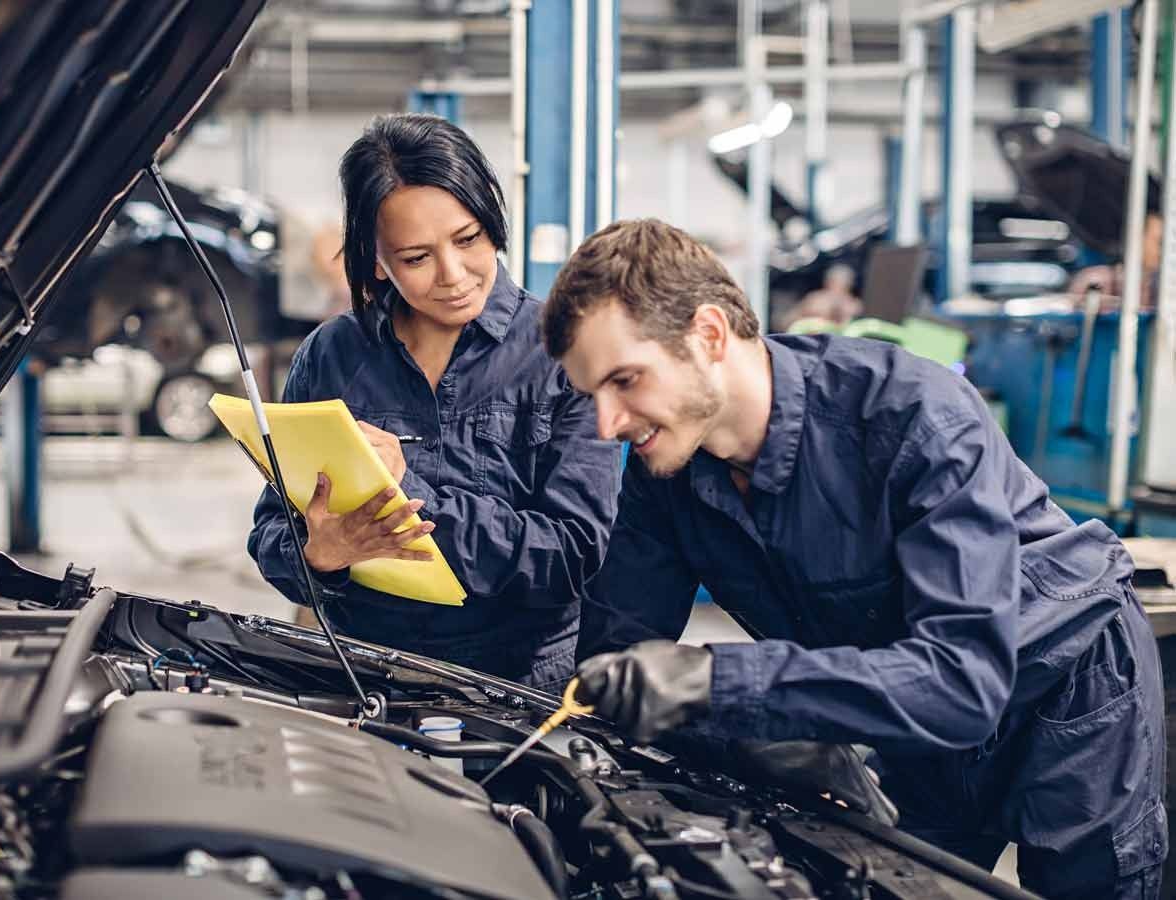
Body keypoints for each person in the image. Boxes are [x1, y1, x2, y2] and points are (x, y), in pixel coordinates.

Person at [540, 218, 1166, 898]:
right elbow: (618, 653)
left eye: (625, 381)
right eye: (590, 395)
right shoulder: (666, 474)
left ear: (710, 335)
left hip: (1064, 690)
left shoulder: (912, 416)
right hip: (909, 712)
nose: (607, 424)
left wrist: (722, 684)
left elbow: (962, 680)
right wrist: (760, 740)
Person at [248, 113, 620, 693]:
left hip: (518, 690)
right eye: (417, 258)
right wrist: (319, 556)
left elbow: (574, 555)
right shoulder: (332, 357)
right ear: (377, 260)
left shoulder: (559, 351)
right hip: (365, 678)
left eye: (468, 240)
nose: (453, 275)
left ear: (492, 221)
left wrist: (409, 497)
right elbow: (271, 530)